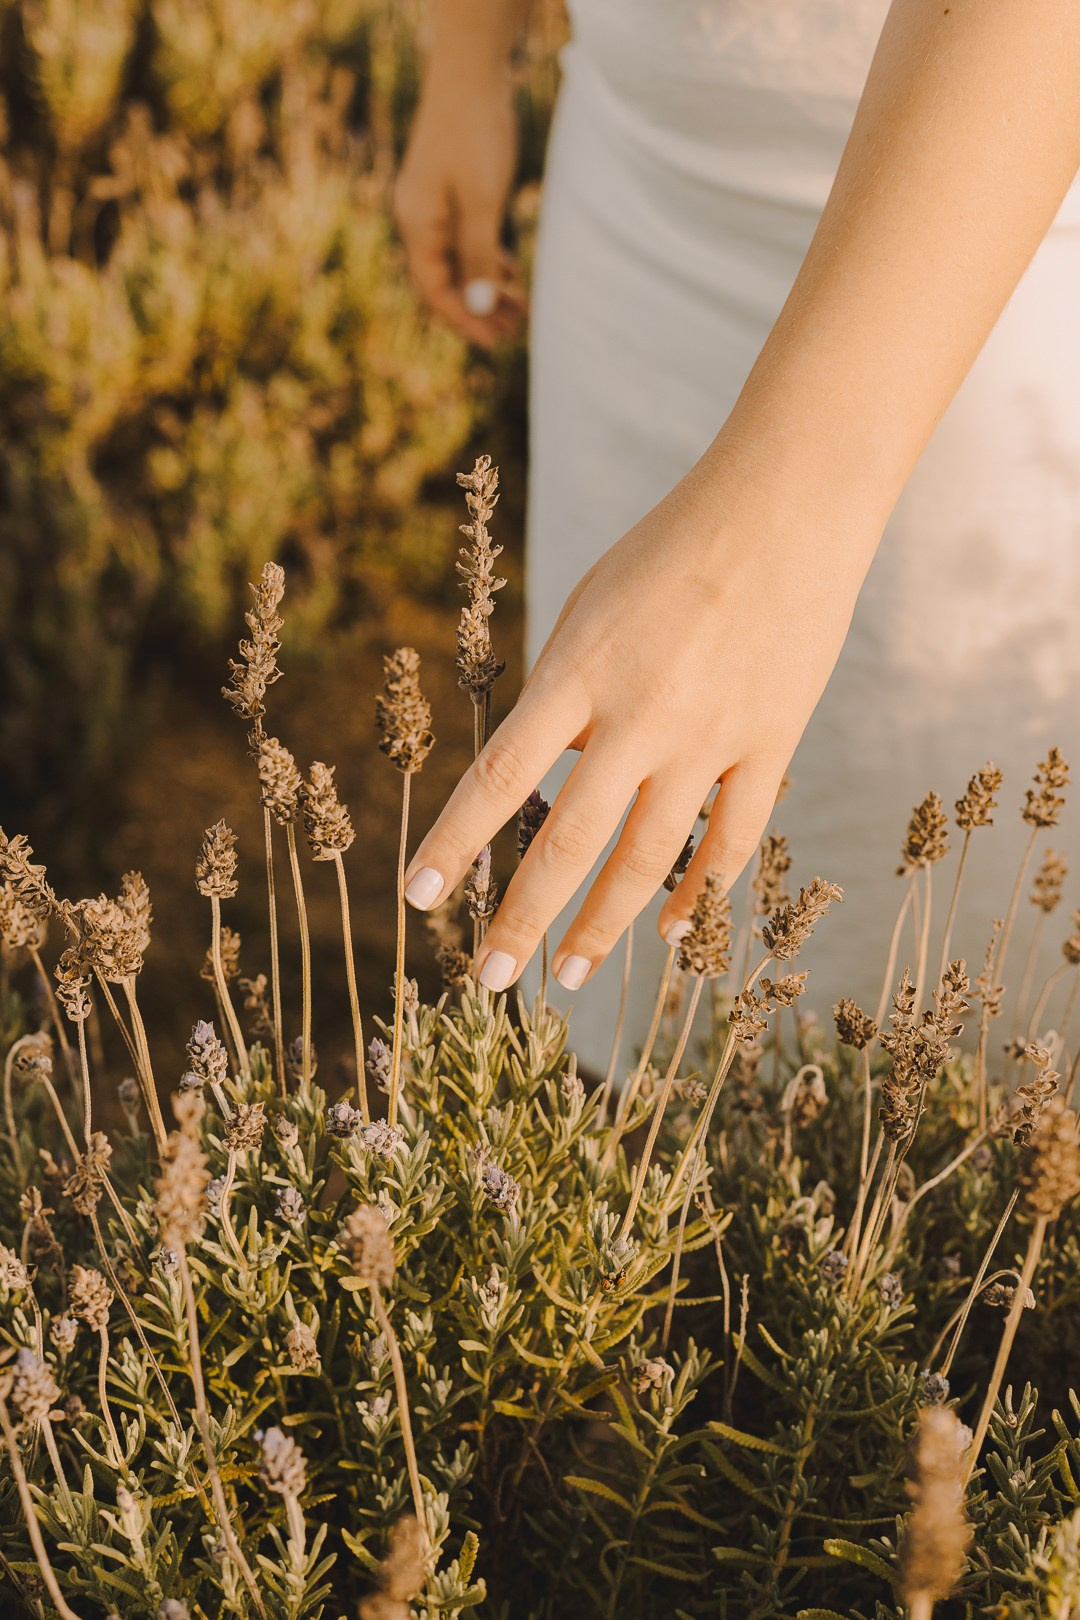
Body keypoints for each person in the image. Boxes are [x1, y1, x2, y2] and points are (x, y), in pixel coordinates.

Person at [394, 0, 1080, 1072]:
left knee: (959, 1000)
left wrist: (788, 508)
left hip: (995, 237)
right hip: (635, 174)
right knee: (632, 1011)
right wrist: (471, 55)